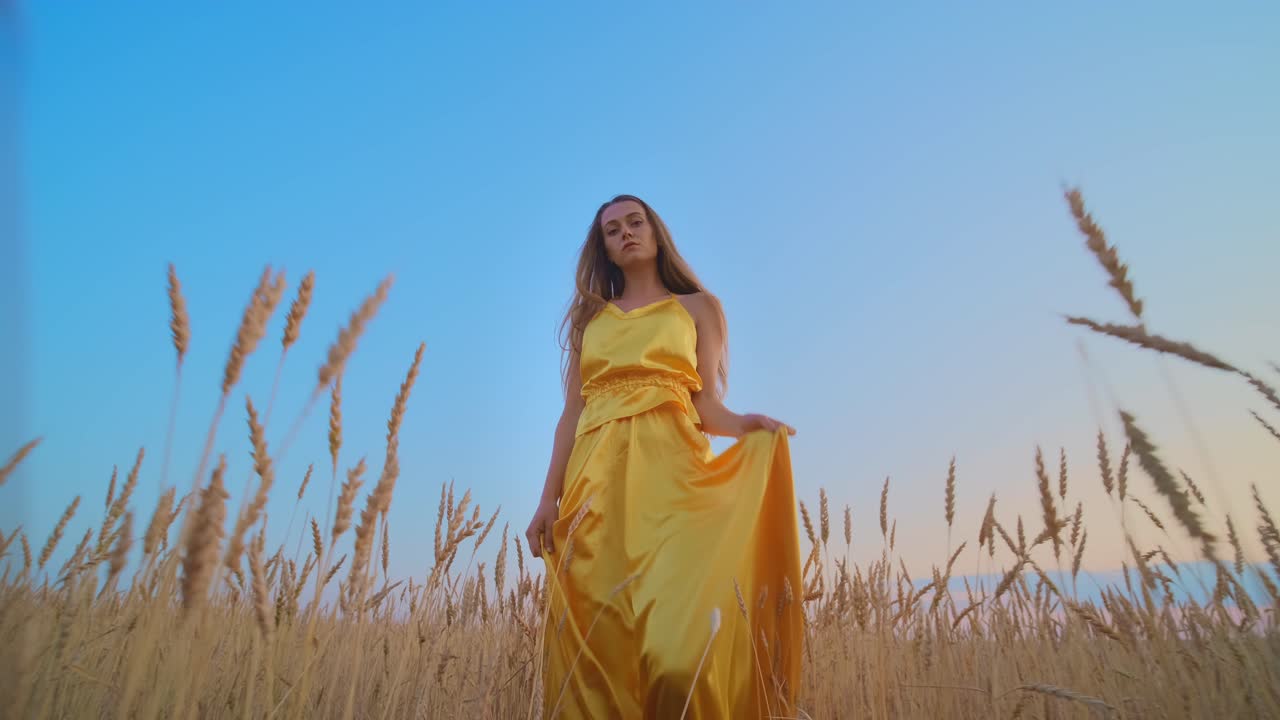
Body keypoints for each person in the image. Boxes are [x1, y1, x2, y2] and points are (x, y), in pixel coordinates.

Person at [526, 194, 805, 719]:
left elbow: (705, 404)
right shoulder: (590, 321)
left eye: (636, 222)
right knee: (598, 653)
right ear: (604, 250)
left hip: (673, 479)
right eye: (612, 230)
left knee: (677, 655)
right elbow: (571, 413)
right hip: (595, 487)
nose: (625, 233)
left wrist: (744, 425)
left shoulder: (698, 307)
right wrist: (547, 497)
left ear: (656, 234)